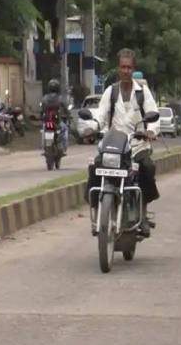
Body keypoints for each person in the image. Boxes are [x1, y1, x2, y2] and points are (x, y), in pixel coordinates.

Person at [85, 48, 161, 236]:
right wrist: (92, 127)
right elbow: (101, 116)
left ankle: (142, 215)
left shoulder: (143, 92)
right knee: (95, 167)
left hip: (137, 145)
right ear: (118, 69)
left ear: (133, 69)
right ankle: (97, 212)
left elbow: (153, 114)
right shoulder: (111, 92)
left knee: (147, 168)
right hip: (114, 146)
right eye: (122, 67)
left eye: (129, 67)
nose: (125, 71)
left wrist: (150, 131)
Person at [40, 79, 69, 154]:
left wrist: (42, 116)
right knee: (64, 129)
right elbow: (65, 109)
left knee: (43, 130)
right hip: (56, 121)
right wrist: (67, 115)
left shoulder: (45, 98)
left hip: (47, 121)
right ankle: (62, 146)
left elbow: (42, 109)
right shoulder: (60, 98)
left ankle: (43, 147)